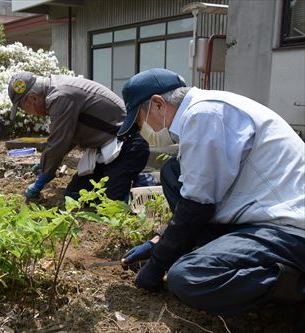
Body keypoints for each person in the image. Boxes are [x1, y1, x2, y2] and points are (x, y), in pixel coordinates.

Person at [118, 68, 305, 316]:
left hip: (289, 229)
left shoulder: (205, 114)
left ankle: (295, 285)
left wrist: (157, 264)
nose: (146, 129)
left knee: (188, 276)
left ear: (158, 104)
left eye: (142, 120)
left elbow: (197, 204)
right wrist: (160, 240)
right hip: (259, 211)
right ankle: (213, 253)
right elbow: (198, 189)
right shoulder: (203, 109)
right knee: (173, 173)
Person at [8, 71, 150, 201]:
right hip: (107, 148)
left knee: (111, 202)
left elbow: (59, 142)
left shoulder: (60, 96)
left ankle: (143, 183)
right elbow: (67, 137)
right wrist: (45, 163)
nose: (27, 113)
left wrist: (43, 177)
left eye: (23, 108)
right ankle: (128, 180)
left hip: (128, 146)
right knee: (75, 195)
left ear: (33, 98)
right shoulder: (56, 91)